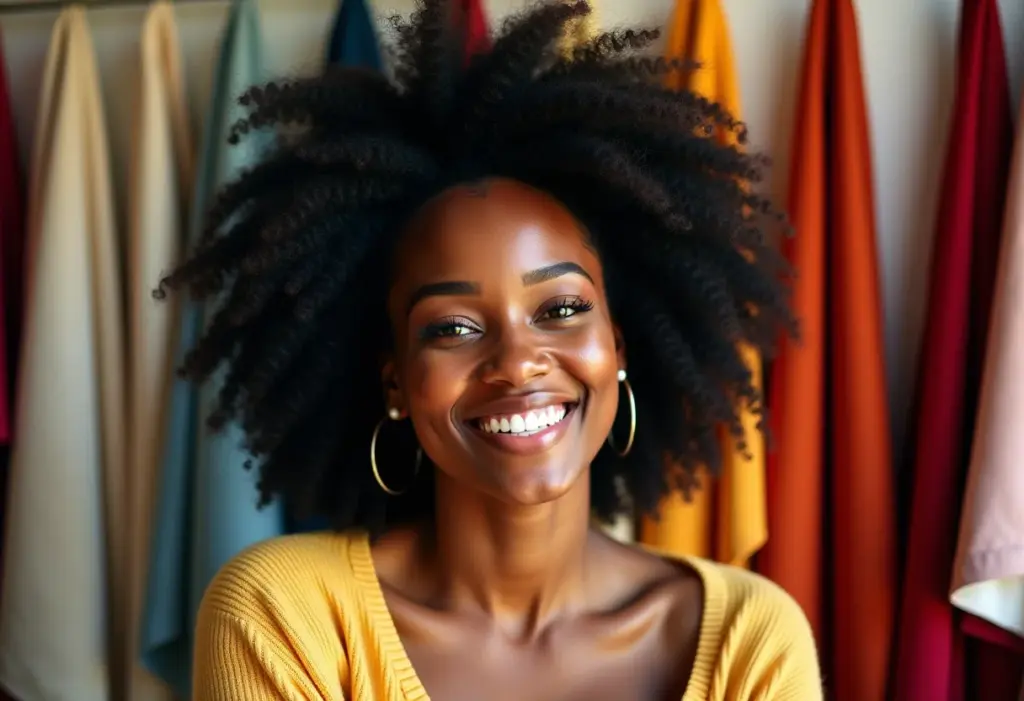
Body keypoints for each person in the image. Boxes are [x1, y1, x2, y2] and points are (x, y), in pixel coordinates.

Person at [167, 1, 823, 698]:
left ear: (618, 347)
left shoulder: (748, 636)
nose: (517, 361)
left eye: (562, 310)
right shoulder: (284, 614)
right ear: (396, 381)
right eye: (453, 327)